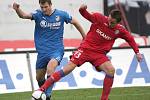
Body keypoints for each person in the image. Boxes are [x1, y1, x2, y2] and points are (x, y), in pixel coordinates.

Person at [33, 4, 143, 100]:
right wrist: (82, 9)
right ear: (108, 16)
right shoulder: (99, 18)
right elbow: (85, 14)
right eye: (109, 20)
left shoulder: (120, 30)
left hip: (99, 55)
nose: (109, 23)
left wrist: (137, 52)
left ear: (118, 22)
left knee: (111, 70)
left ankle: (104, 98)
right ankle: (41, 89)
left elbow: (130, 39)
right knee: (68, 68)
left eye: (112, 23)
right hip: (85, 49)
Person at [13, 0, 85, 100]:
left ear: (51, 5)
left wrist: (84, 37)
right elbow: (23, 15)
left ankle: (47, 96)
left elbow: (76, 22)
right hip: (42, 52)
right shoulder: (37, 14)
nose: (44, 9)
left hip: (56, 50)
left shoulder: (61, 14)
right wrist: (17, 9)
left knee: (51, 68)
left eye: (46, 7)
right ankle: (43, 94)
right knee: (39, 77)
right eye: (42, 7)